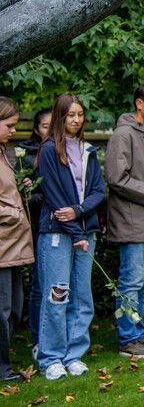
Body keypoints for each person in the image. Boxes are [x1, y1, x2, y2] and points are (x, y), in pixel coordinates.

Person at [34, 94, 106, 380]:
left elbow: (99, 191)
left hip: (85, 232)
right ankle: (51, 357)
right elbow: (53, 195)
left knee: (82, 297)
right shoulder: (50, 149)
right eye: (70, 115)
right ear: (59, 117)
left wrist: (79, 211)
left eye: (80, 115)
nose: (76, 120)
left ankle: (73, 354)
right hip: (58, 235)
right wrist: (75, 231)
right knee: (57, 295)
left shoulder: (88, 150)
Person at [105, 84, 144, 359]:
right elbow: (117, 178)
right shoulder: (122, 135)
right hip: (131, 224)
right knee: (131, 282)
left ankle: (137, 334)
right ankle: (127, 338)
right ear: (139, 103)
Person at [0, 97, 35, 383]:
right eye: (9, 125)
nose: (14, 131)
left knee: (13, 308)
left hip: (13, 245)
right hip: (2, 245)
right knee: (2, 310)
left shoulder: (4, 153)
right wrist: (12, 210)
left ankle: (5, 363)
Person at [14, 107, 51, 357]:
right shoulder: (25, 156)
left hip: (58, 224)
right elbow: (23, 196)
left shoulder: (63, 150)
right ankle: (38, 337)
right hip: (36, 224)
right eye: (45, 126)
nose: (50, 129)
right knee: (39, 284)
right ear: (37, 129)